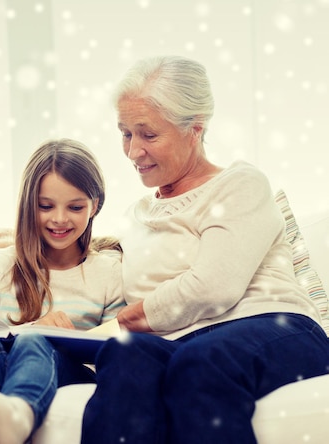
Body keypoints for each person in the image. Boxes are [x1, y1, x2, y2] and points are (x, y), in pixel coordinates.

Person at [80, 55, 329, 444]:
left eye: (147, 134)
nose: (132, 151)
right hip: (179, 342)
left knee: (201, 363)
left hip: (274, 326)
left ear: (194, 129)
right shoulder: (137, 216)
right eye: (125, 133)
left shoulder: (239, 184)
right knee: (124, 357)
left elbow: (215, 285)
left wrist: (132, 318)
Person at [0, 138, 126, 444]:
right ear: (29, 204)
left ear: (94, 205)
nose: (59, 218)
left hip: (69, 371)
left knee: (32, 342)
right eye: (45, 206)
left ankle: (15, 418)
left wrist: (52, 338)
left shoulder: (110, 271)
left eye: (75, 206)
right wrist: (35, 326)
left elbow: (112, 356)